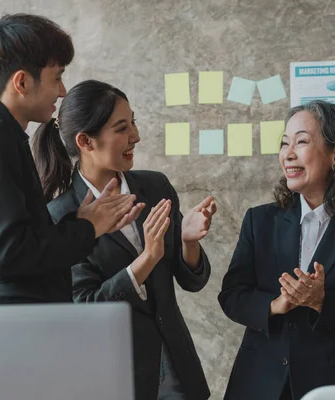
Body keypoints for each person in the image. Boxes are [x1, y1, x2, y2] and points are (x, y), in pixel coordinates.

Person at [0, 15, 143, 400]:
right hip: (3, 345)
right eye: (56, 77)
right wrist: (89, 228)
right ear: (21, 82)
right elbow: (7, 253)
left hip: (9, 341)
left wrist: (82, 222)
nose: (62, 90)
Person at [34, 79, 213, 400]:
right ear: (86, 141)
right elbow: (85, 307)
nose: (136, 136)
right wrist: (145, 261)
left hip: (179, 368)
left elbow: (192, 281)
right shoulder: (60, 216)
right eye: (122, 128)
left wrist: (187, 242)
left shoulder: (156, 187)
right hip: (113, 377)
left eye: (133, 122)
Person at [218, 100, 335, 400]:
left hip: (333, 384)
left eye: (301, 142)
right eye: (285, 143)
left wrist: (321, 301)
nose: (288, 153)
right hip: (259, 383)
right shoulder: (259, 221)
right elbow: (232, 295)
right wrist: (275, 304)